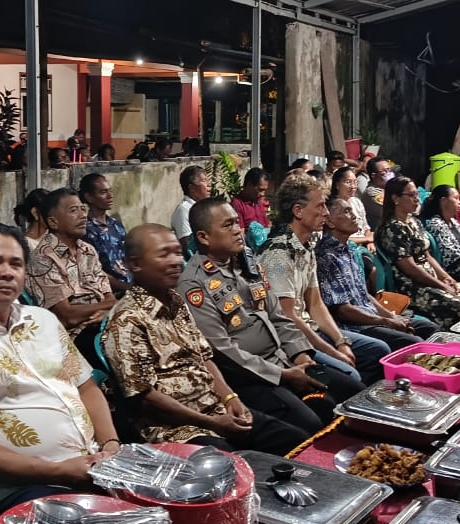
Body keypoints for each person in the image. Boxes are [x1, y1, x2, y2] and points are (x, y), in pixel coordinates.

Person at [0, 223, 120, 524]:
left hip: (94, 467)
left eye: (16, 264)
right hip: (21, 489)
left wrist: (111, 446)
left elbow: (86, 387)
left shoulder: (44, 321)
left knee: (168, 512)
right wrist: (60, 471)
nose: (7, 272)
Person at [103, 224, 308, 455]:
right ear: (135, 264)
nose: (176, 261)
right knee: (231, 463)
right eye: (164, 254)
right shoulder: (127, 320)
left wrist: (231, 399)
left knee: (295, 440)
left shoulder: (176, 301)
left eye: (177, 252)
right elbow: (145, 398)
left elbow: (205, 357)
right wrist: (212, 423)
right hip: (175, 429)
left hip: (214, 408)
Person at [179, 198, 361, 436]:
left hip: (286, 359)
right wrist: (283, 375)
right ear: (204, 237)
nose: (238, 230)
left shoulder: (245, 260)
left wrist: (300, 355)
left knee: (352, 390)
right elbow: (222, 349)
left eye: (237, 222)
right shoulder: (195, 284)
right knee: (313, 421)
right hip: (252, 377)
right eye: (227, 225)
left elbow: (278, 315)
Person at [258, 176, 391, 384]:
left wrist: (341, 341)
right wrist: (333, 352)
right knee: (350, 375)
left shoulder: (306, 245)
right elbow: (289, 317)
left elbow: (316, 303)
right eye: (320, 206)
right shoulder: (278, 253)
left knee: (378, 350)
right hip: (292, 338)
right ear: (298, 211)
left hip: (312, 329)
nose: (326, 213)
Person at [317, 197, 439, 349]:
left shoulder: (348, 249)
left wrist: (392, 317)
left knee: (431, 329)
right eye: (346, 212)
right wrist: (387, 322)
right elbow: (343, 311)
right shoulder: (327, 257)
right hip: (356, 327)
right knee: (416, 343)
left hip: (372, 317)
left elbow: (364, 294)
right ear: (330, 222)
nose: (354, 215)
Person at [377, 177, 460, 326]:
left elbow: (427, 255)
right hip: (412, 286)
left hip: (430, 279)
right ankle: (448, 339)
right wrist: (441, 285)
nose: (417, 199)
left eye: (416, 194)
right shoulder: (393, 228)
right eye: (411, 195)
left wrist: (446, 278)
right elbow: (409, 268)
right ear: (396, 199)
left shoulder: (414, 221)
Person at [26, 188, 116, 351]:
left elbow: (109, 297)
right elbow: (67, 316)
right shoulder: (43, 258)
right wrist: (110, 307)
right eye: (74, 210)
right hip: (74, 337)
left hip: (103, 324)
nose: (83, 215)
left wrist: (108, 312)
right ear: (53, 222)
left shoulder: (87, 250)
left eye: (83, 209)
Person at [80, 173, 131, 294]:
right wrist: (125, 287)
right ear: (89, 197)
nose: (110, 196)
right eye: (103, 192)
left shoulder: (115, 224)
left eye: (110, 191)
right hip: (109, 292)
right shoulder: (85, 229)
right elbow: (93, 269)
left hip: (131, 285)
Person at [331, 165, 374, 250]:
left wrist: (370, 242)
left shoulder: (356, 202)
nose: (353, 186)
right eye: (348, 182)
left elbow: (366, 228)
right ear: (337, 185)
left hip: (363, 247)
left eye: (355, 182)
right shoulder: (333, 206)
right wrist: (367, 239)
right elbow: (338, 238)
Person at [171, 164, 211, 253]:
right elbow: (187, 246)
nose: (209, 185)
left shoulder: (204, 208)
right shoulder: (184, 210)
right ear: (192, 188)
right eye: (204, 181)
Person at [361, 157, 393, 229]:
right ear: (374, 176)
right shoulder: (372, 192)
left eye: (389, 170)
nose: (389, 174)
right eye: (384, 171)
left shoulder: (387, 189)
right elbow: (390, 212)